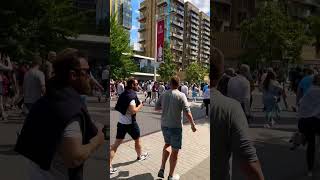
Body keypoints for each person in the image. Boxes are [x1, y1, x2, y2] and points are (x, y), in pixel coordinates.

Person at [15, 48, 105, 180]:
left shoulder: (47, 99)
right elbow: (74, 158)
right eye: (86, 72)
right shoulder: (69, 109)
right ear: (73, 75)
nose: (89, 78)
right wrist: (98, 140)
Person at [211, 48, 264, 180]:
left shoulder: (232, 81)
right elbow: (248, 161)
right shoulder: (243, 86)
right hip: (234, 111)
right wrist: (247, 112)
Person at [155, 76, 197, 180]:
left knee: (167, 144)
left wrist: (165, 108)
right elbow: (187, 111)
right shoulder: (181, 95)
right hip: (176, 127)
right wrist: (193, 124)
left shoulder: (164, 94)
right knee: (175, 151)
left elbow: (156, 107)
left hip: (164, 125)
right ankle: (170, 176)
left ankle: (162, 168)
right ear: (178, 85)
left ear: (170, 83)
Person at [110, 78, 149, 174]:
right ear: (132, 85)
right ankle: (140, 156)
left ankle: (109, 165)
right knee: (137, 139)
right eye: (136, 84)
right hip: (130, 124)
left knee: (116, 145)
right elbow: (133, 111)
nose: (137, 85)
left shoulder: (123, 94)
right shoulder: (131, 96)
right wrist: (141, 105)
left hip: (121, 122)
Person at [298, 74, 320, 177]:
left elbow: (301, 105)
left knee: (311, 145)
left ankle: (310, 170)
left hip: (306, 121)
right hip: (317, 121)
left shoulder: (309, 91)